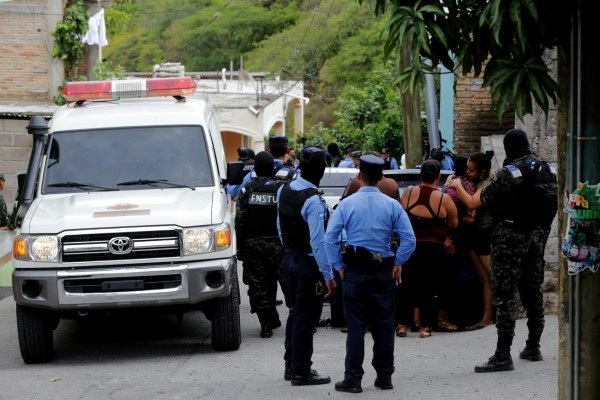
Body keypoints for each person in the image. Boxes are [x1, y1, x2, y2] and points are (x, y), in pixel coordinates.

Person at [325, 154, 416, 393]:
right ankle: (384, 377)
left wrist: (339, 267)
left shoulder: (346, 204)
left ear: (358, 176)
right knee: (384, 326)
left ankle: (353, 380)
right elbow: (409, 239)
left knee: (355, 328)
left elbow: (330, 238)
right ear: (382, 177)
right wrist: (398, 261)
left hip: (354, 272)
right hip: (383, 271)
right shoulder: (392, 205)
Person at [474, 129, 557, 373]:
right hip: (537, 236)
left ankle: (502, 354)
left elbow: (487, 197)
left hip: (510, 237)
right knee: (533, 289)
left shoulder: (510, 173)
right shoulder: (549, 170)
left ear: (509, 149)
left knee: (504, 291)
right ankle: (533, 345)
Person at [277, 145, 337, 386]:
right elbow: (318, 242)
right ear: (322, 170)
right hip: (307, 263)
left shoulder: (286, 189)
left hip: (290, 258)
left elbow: (279, 226)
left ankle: (291, 366)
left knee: (295, 314)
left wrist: (289, 251)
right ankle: (302, 371)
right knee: (307, 319)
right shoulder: (313, 200)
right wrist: (328, 275)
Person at [397, 160, 459, 338]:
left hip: (410, 246)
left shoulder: (408, 193)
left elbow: (401, 218)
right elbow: (453, 224)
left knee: (406, 285)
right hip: (433, 248)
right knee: (429, 287)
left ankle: (401, 325)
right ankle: (425, 328)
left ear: (420, 175)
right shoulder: (443, 199)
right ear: (438, 176)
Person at [235, 151, 287, 338]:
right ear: (273, 169)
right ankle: (300, 319)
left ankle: (266, 324)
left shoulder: (246, 190)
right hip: (278, 244)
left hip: (253, 245)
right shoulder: (282, 189)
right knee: (287, 282)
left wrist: (241, 248)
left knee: (258, 284)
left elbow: (239, 222)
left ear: (254, 169)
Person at [447, 151, 495, 331]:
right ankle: (486, 317)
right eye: (467, 169)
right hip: (475, 235)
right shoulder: (475, 182)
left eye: (472, 171)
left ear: (482, 172)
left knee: (493, 277)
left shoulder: (488, 184)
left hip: (485, 234)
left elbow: (472, 204)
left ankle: (495, 316)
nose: (467, 173)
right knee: (484, 279)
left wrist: (457, 185)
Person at [227, 136, 295, 199]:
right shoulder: (292, 174)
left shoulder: (253, 173)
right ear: (287, 150)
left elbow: (236, 192)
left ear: (268, 149)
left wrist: (226, 185)